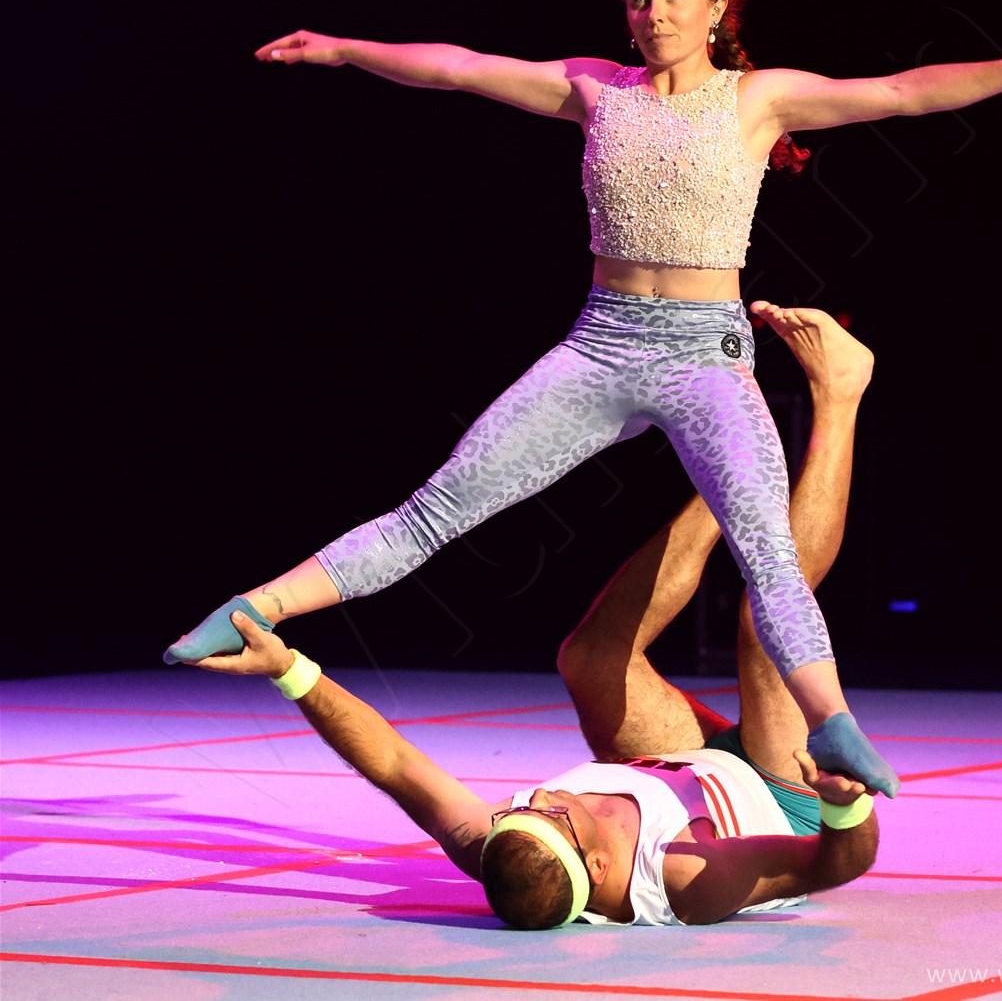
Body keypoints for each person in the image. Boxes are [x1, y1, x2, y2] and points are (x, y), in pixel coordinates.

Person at [165, 0, 1002, 798]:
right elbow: (459, 68)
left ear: (716, 10)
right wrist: (344, 48)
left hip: (706, 355)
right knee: (438, 509)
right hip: (601, 346)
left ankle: (832, 723)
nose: (655, 13)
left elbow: (898, 93)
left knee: (767, 551)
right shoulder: (597, 90)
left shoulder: (757, 99)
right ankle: (253, 609)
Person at [192, 305, 882, 928]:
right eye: (552, 813)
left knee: (588, 660)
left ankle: (722, 492)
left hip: (682, 764)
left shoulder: (501, 843)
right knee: (764, 632)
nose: (542, 795)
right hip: (782, 797)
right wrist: (841, 804)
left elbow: (394, 762)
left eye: (522, 810)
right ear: (601, 869)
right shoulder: (687, 880)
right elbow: (834, 866)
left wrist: (287, 669)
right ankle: (840, 394)